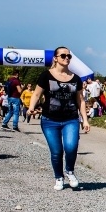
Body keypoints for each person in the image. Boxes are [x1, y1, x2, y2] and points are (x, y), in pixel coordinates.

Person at [27, 46, 90, 190]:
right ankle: (59, 177)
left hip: (71, 119)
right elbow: (36, 94)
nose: (66, 58)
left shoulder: (76, 78)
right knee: (56, 151)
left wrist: (85, 119)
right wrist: (31, 107)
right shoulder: (46, 76)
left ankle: (69, 171)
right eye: (63, 56)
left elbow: (80, 100)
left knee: (71, 147)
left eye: (69, 56)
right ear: (55, 58)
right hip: (50, 120)